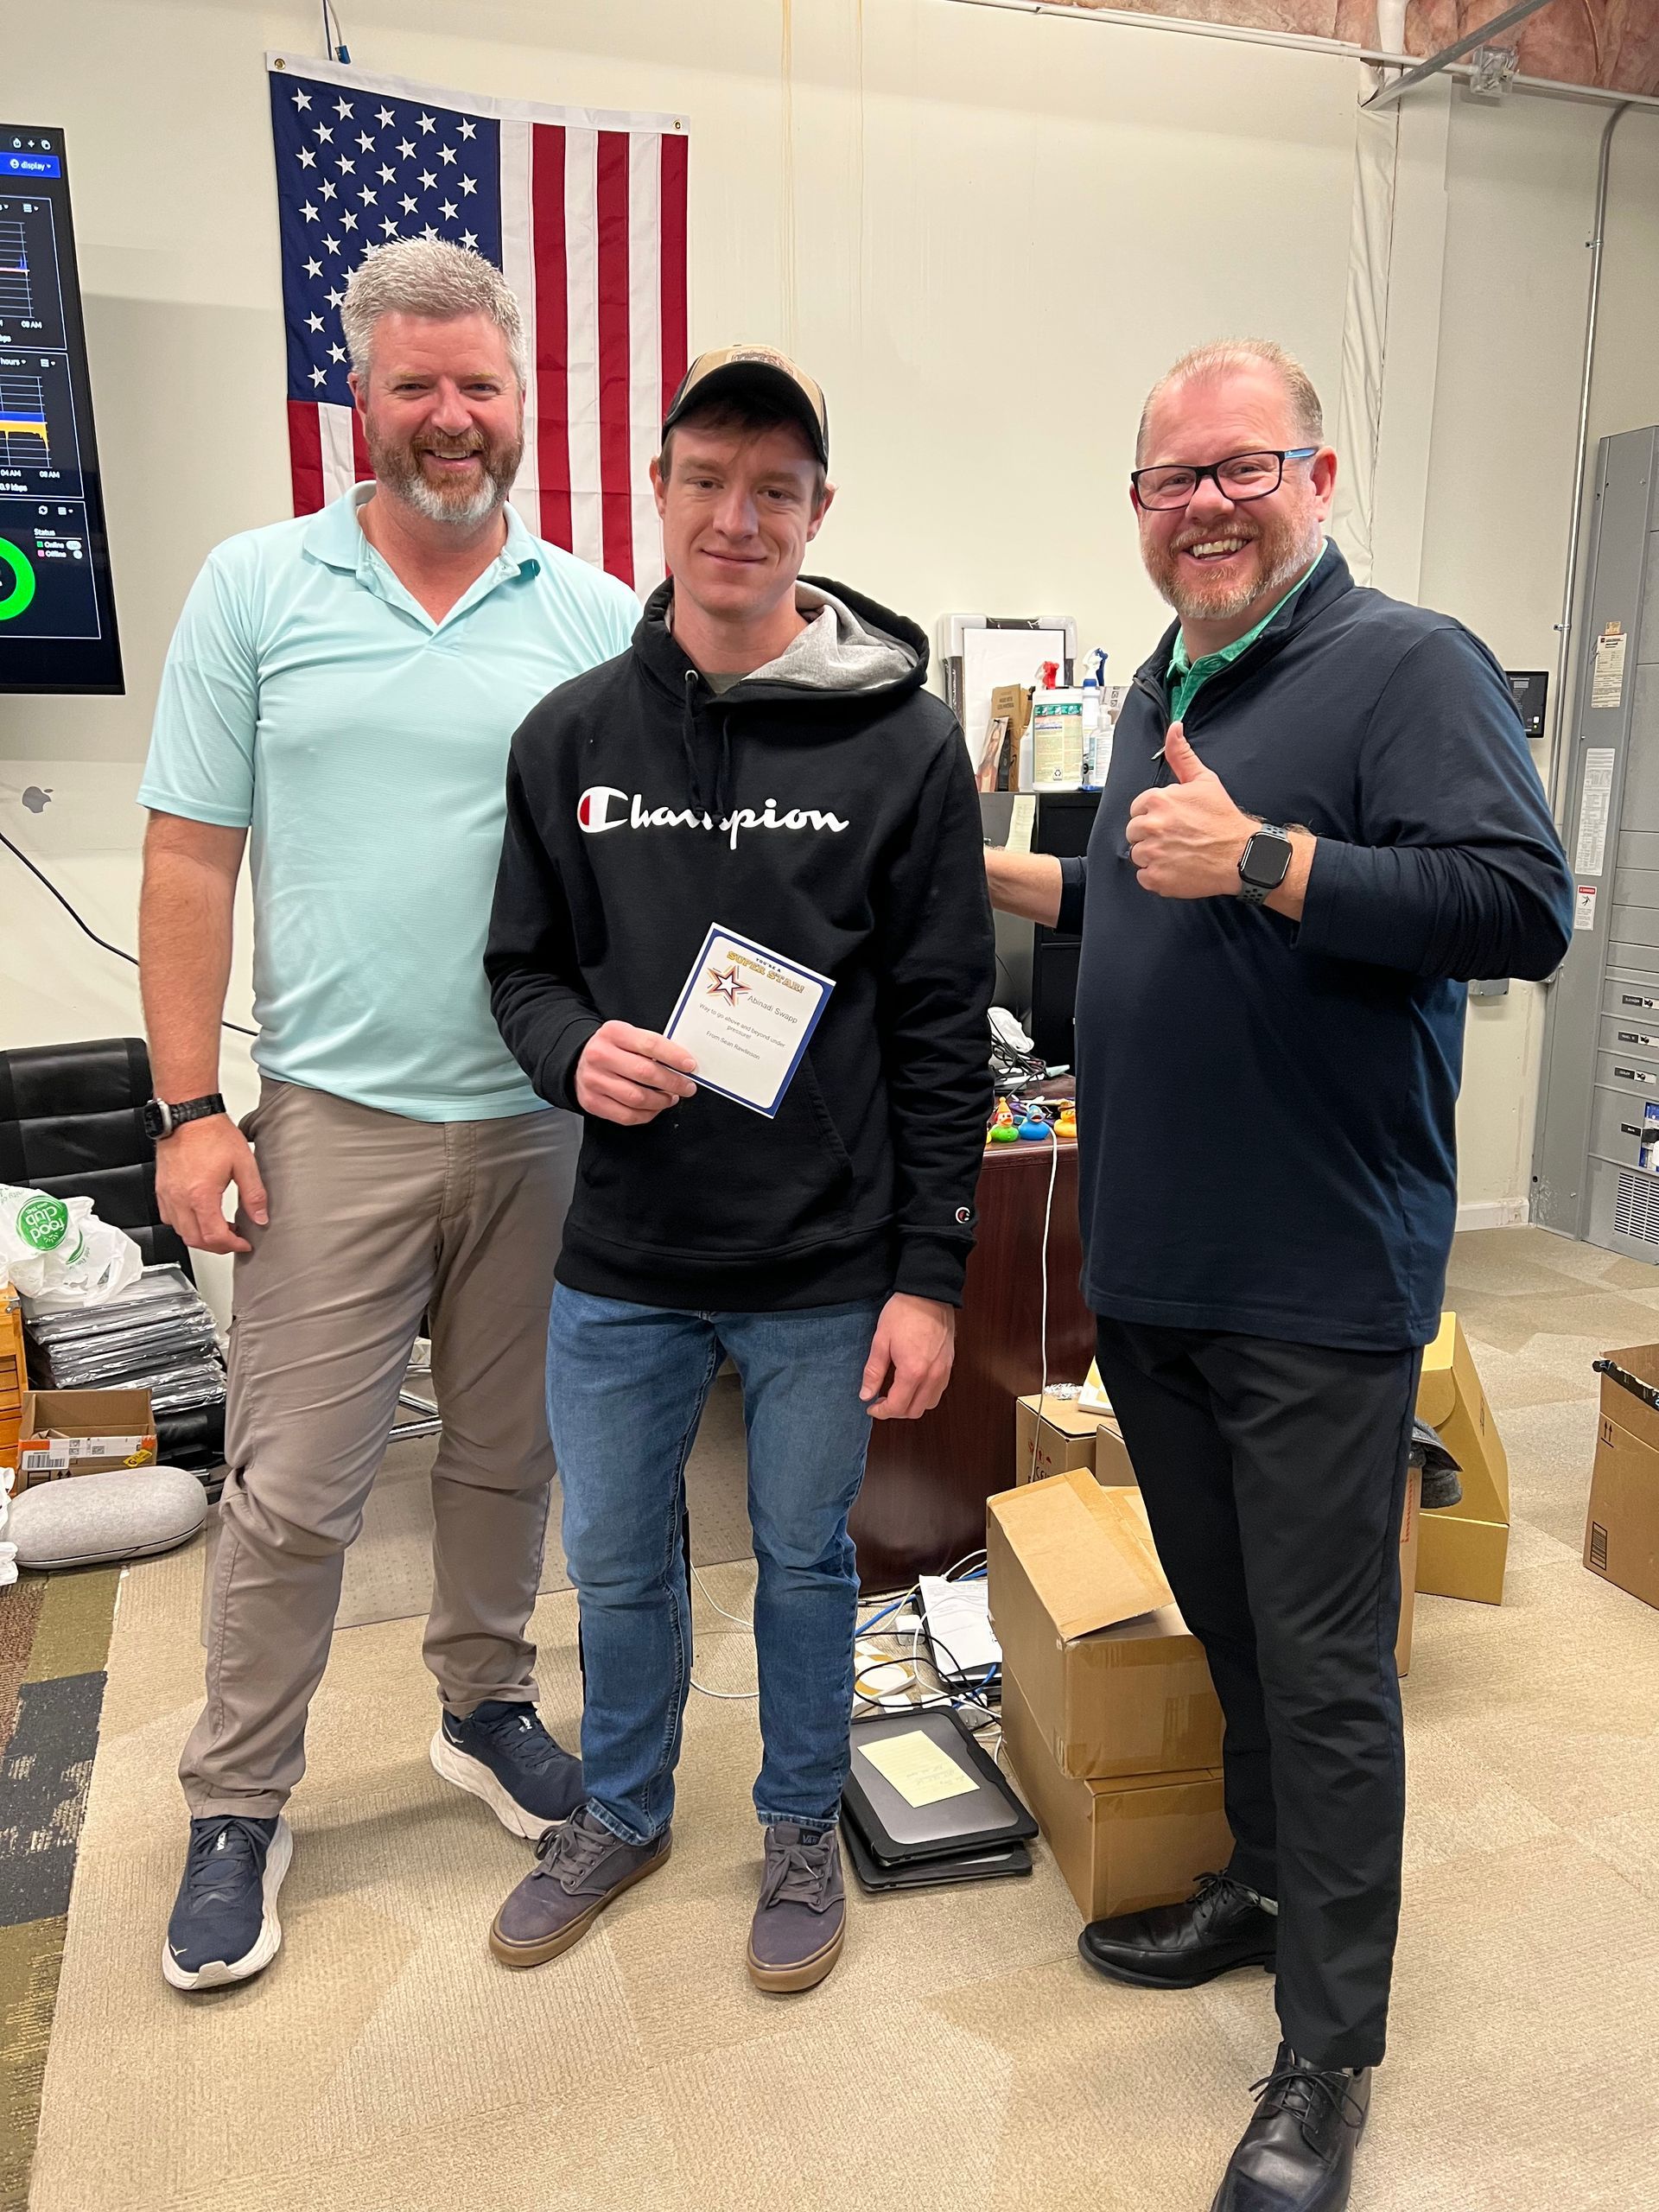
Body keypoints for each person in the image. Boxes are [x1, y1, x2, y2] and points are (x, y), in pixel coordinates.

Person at [986, 340, 1572, 2212]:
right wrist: (1012, 878)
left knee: (1326, 1671)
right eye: (1173, 479)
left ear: (1315, 476)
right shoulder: (1170, 673)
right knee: (1231, 1624)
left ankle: (1329, 2047)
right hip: (1159, 1261)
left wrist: (1272, 857)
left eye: (1245, 467)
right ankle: (1253, 1878)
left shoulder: (1409, 663)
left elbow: (1519, 903)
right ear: (1139, 509)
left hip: (1319, 1269)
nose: (1208, 504)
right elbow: (1154, 891)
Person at [138, 241, 639, 1994]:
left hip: (542, 1124)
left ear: (523, 401)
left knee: (512, 1456)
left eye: (479, 385)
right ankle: (237, 1797)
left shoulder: (593, 616)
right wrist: (192, 1106)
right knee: (291, 1488)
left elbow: (647, 865)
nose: (451, 416)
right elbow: (191, 856)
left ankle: (483, 1702)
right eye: (415, 383)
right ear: (359, 396)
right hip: (332, 1123)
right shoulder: (255, 587)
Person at [482, 345, 994, 1993]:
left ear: (817, 514)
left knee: (804, 1562)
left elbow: (938, 1028)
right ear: (660, 491)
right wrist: (575, 1053)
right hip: (625, 1261)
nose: (737, 516)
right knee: (619, 1564)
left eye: (775, 489)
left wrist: (929, 1277)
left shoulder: (905, 746)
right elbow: (521, 970)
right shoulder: (570, 735)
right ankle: (624, 1809)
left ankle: (792, 1824)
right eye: (707, 479)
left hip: (824, 1267)